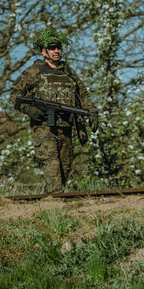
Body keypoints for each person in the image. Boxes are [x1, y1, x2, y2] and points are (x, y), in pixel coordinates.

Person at [10, 28, 98, 193]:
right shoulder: (34, 71)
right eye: (52, 48)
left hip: (66, 129)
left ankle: (48, 208)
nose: (56, 51)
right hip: (44, 130)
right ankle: (55, 208)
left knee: (63, 176)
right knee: (54, 178)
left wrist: (91, 111)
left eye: (58, 47)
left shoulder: (69, 72)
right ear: (44, 52)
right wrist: (30, 110)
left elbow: (83, 94)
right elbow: (15, 95)